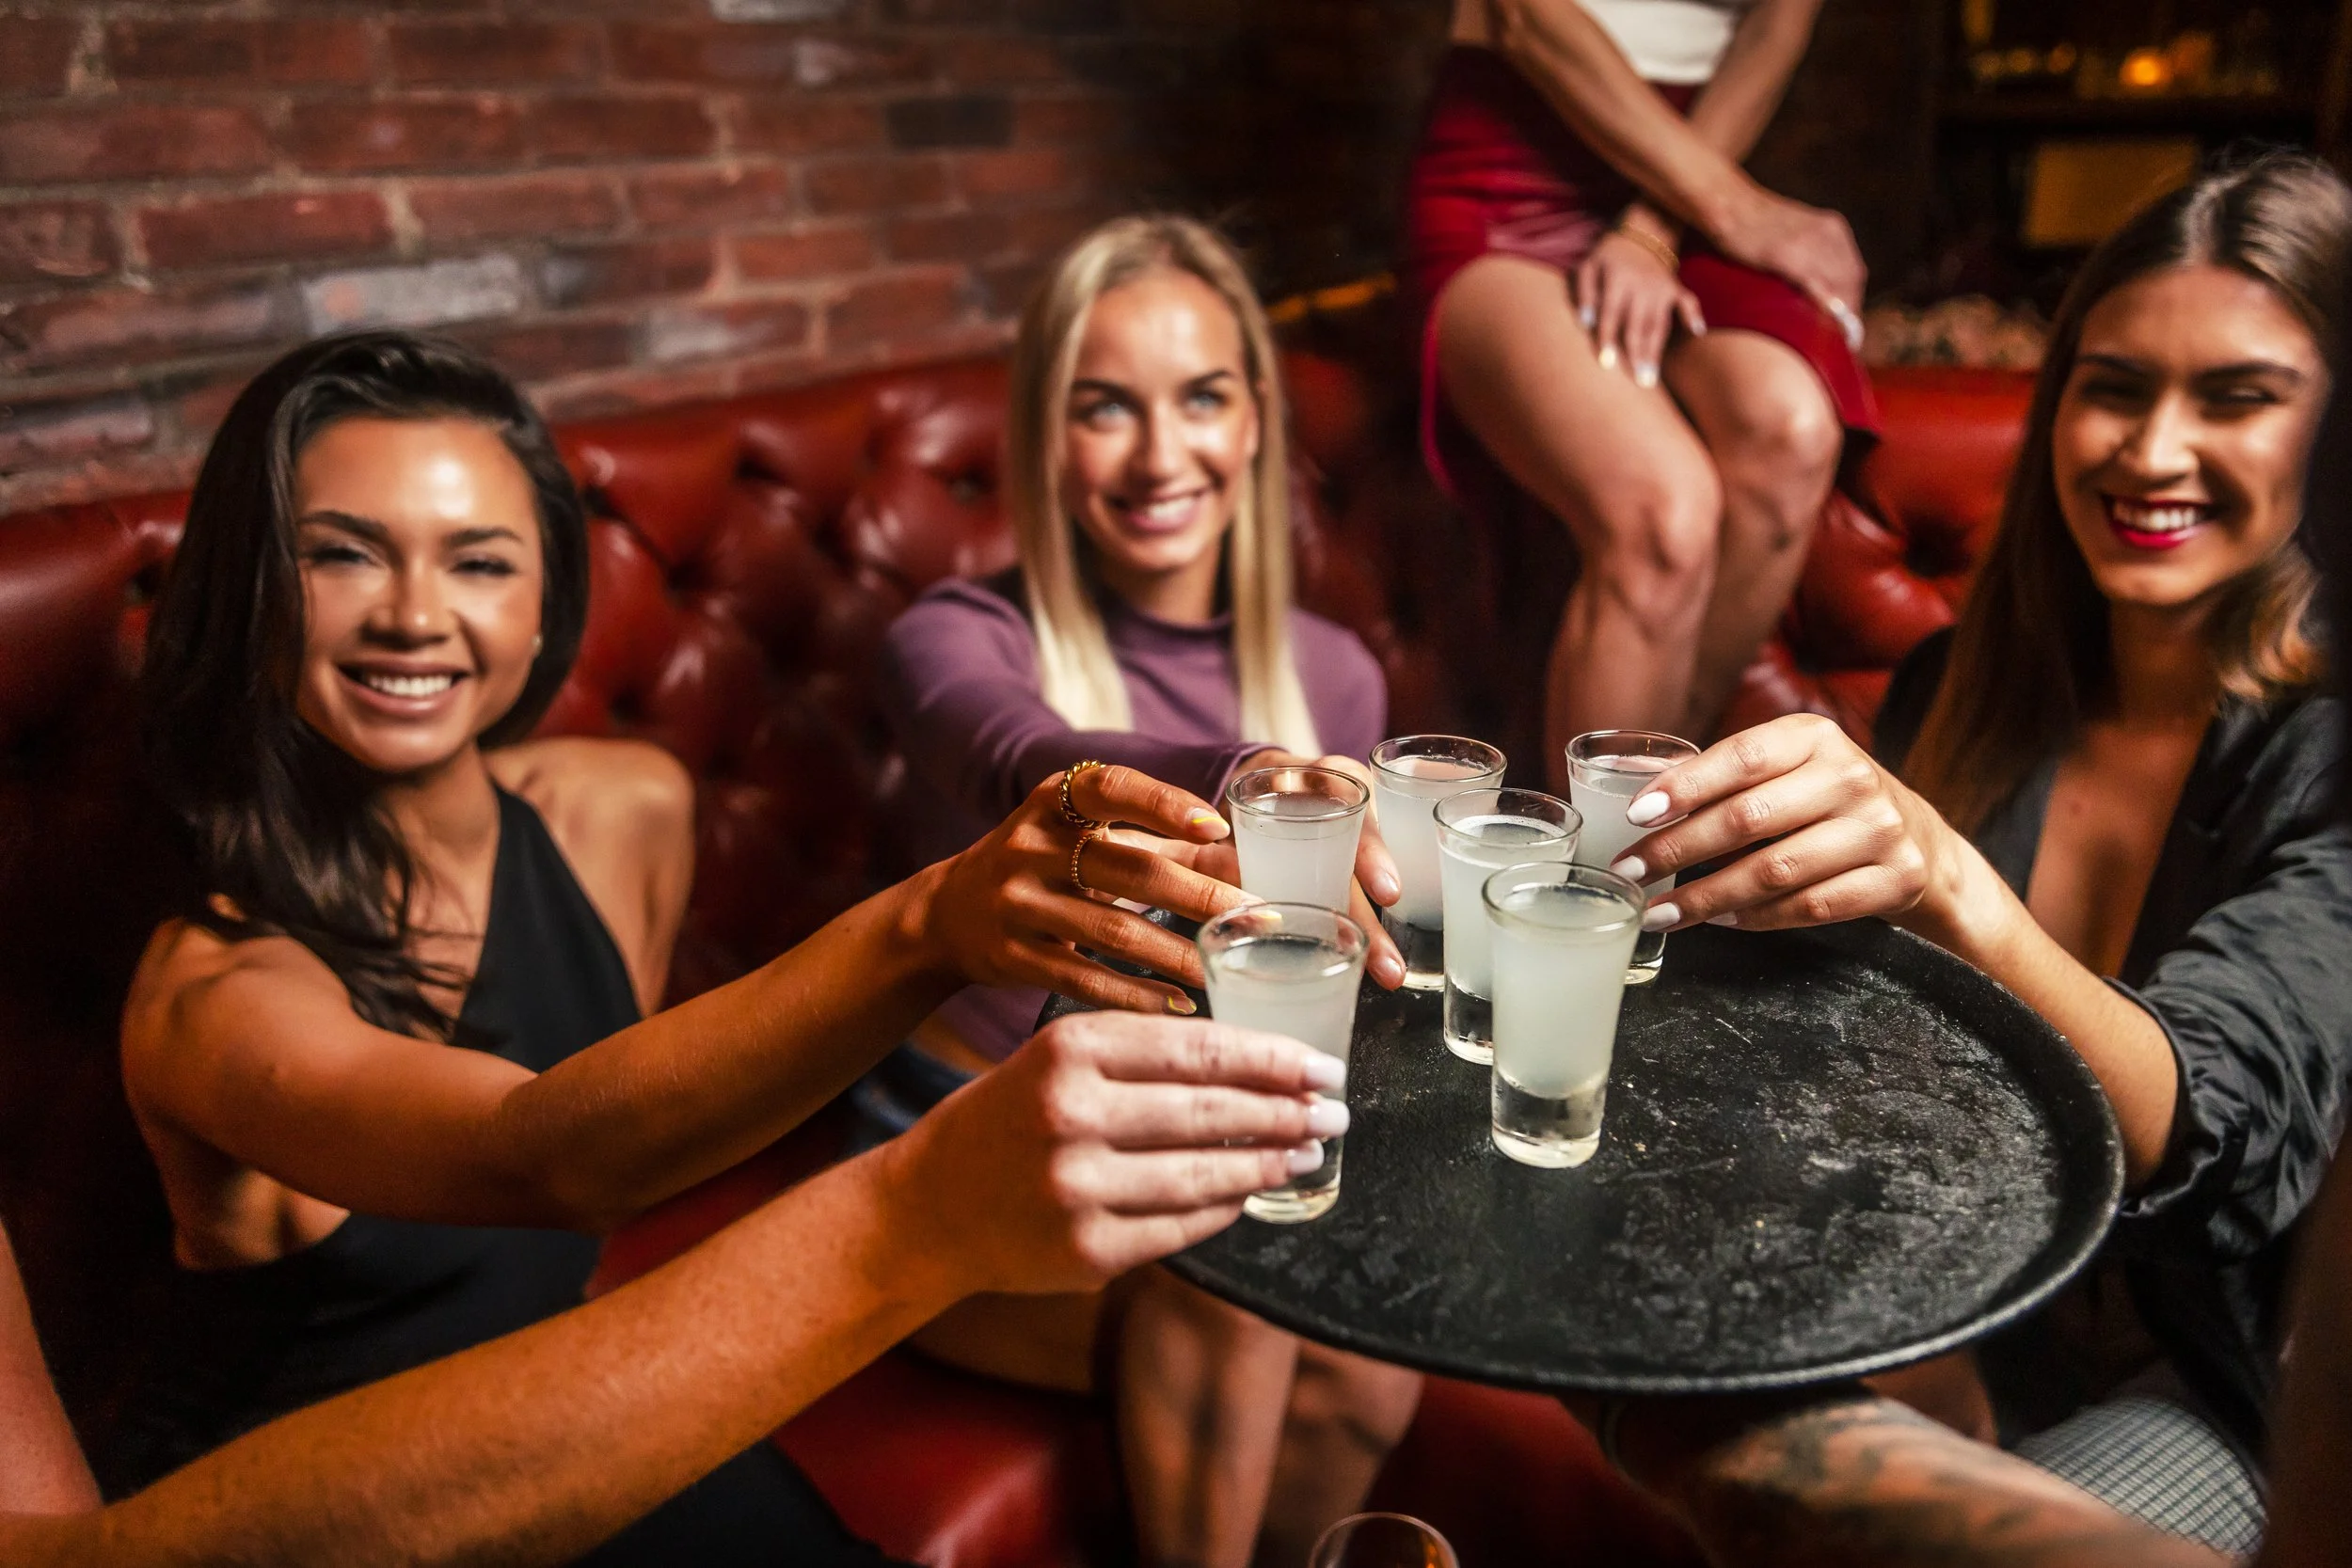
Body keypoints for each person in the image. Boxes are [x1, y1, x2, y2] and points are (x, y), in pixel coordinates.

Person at [103, 329, 1334, 1562]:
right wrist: (930, 922)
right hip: (337, 1514)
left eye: (479, 561)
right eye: (340, 555)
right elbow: (550, 1158)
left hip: (590, 1415)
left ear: (545, 611)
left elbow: (639, 1130)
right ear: (252, 589)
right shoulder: (213, 990)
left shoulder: (621, 810)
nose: (417, 615)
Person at [1595, 153, 2352, 1549]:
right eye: (2114, 384)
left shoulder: (2327, 752)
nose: (2150, 449)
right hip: (1952, 1297)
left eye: (2238, 397)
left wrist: (1943, 872)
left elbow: (2216, 1108)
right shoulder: (1968, 679)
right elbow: (1849, 1042)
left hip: (2207, 1383)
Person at [878, 214, 1424, 1568]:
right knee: (1249, 1269)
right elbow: (1017, 756)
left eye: (1201, 397)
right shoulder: (956, 636)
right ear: (1043, 438)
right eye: (1102, 408)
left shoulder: (1338, 674)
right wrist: (1243, 774)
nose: (1159, 453)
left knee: (1374, 1346)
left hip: (1202, 1134)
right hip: (951, 1142)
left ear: (1254, 421)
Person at [1410, 0, 1881, 779]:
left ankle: (1653, 813)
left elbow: (1777, 24)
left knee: (1789, 429)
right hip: (1509, 174)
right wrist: (1734, 206)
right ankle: (1585, 887)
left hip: (1685, 174)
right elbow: (1525, 16)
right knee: (1664, 512)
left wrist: (1656, 228)